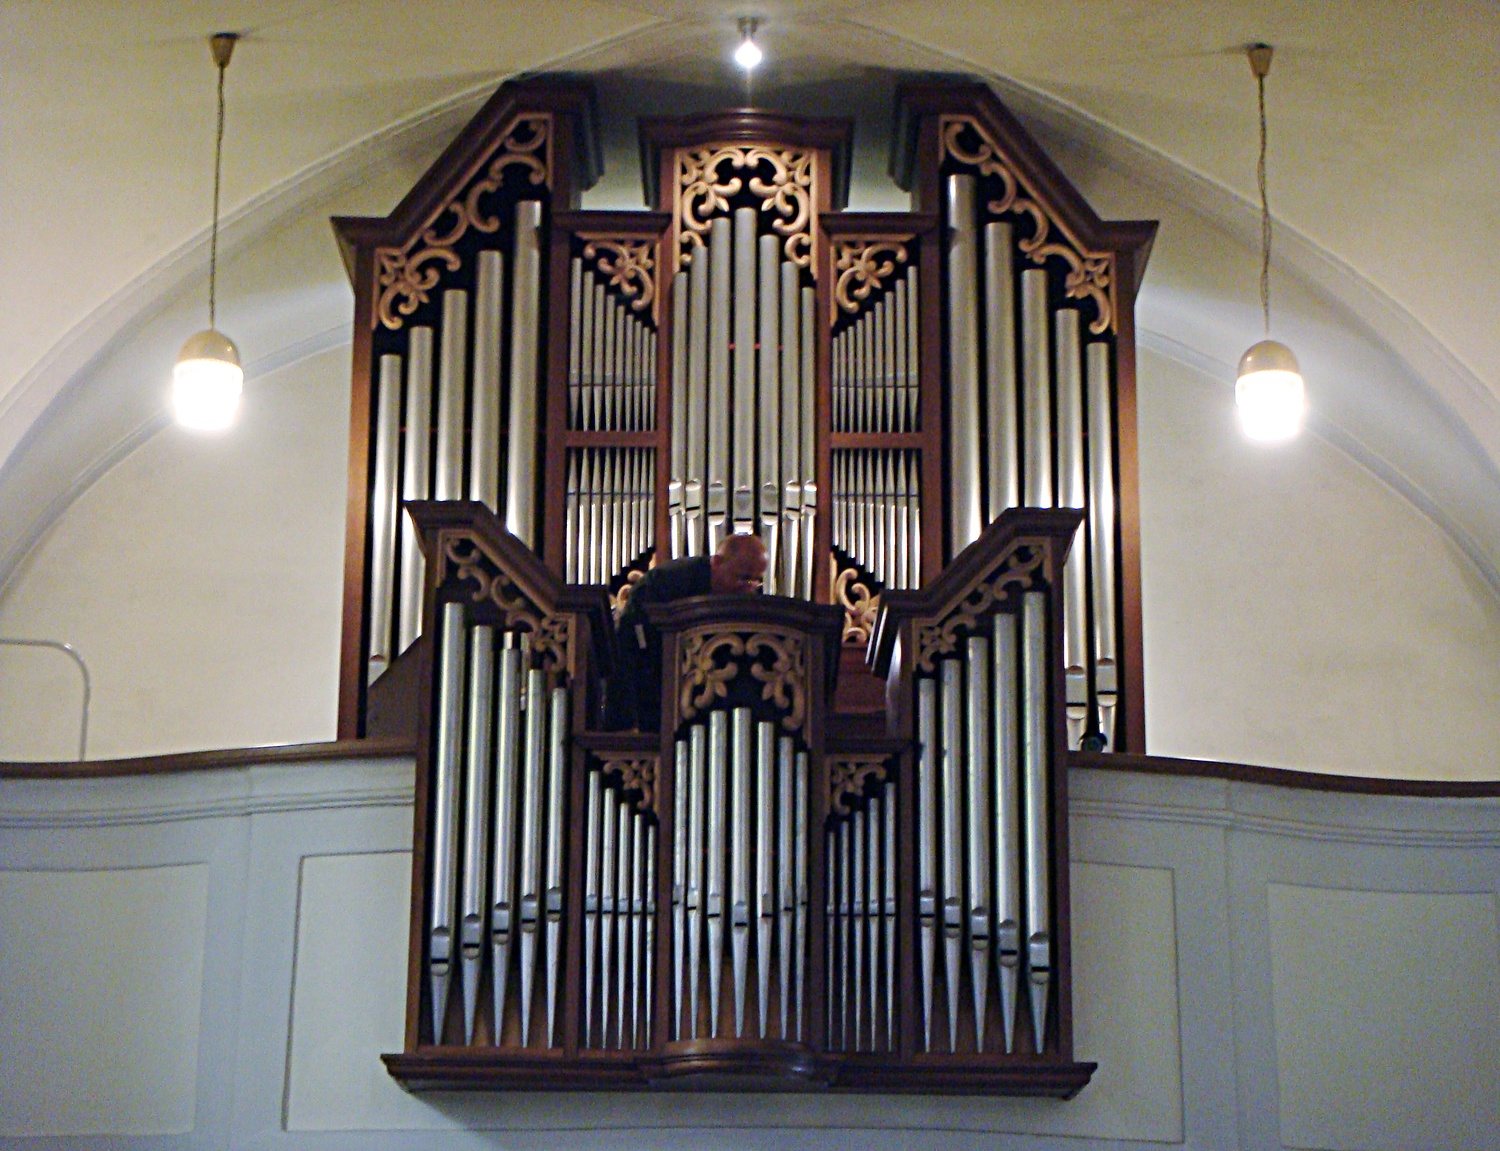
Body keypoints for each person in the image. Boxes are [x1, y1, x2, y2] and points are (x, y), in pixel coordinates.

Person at [606, 533, 768, 731]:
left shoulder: (749, 598)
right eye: (743, 578)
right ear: (717, 562)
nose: (749, 589)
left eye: (756, 581)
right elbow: (631, 652)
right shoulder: (666, 583)